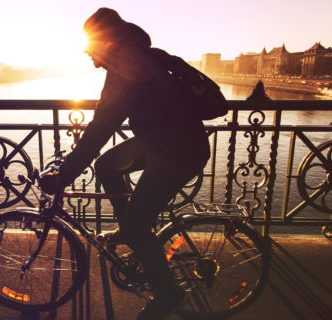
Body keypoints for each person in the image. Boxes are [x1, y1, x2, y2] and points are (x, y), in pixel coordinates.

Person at [40, 7, 210, 320]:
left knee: (136, 225)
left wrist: (61, 178)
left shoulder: (127, 67)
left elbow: (99, 130)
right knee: (106, 165)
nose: (90, 59)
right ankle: (129, 229)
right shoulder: (138, 56)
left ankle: (169, 294)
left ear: (106, 43)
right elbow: (102, 132)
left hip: (178, 152)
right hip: (163, 141)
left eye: (90, 50)